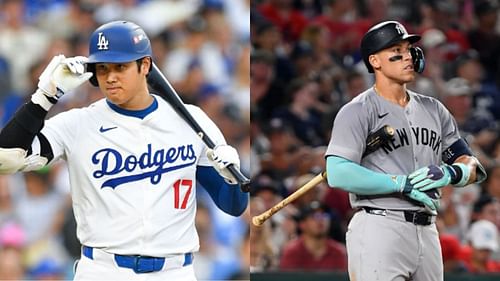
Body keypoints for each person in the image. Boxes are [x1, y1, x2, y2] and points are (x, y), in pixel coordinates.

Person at [0, 20, 248, 281]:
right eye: (103, 68)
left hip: (175, 271)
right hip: (104, 269)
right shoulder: (76, 124)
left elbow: (234, 206)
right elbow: (5, 159)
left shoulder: (191, 120)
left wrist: (232, 175)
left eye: (121, 66)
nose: (111, 77)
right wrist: (45, 95)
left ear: (145, 66)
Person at [324, 20, 487, 281]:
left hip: (428, 227)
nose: (408, 57)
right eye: (396, 51)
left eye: (410, 50)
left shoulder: (434, 109)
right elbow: (337, 172)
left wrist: (452, 172)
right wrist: (402, 183)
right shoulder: (357, 111)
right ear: (375, 61)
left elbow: (474, 167)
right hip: (380, 224)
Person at [279, 201, 347, 271]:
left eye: (324, 215)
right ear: (302, 224)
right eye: (314, 216)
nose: (320, 220)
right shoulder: (292, 252)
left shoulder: (338, 252)